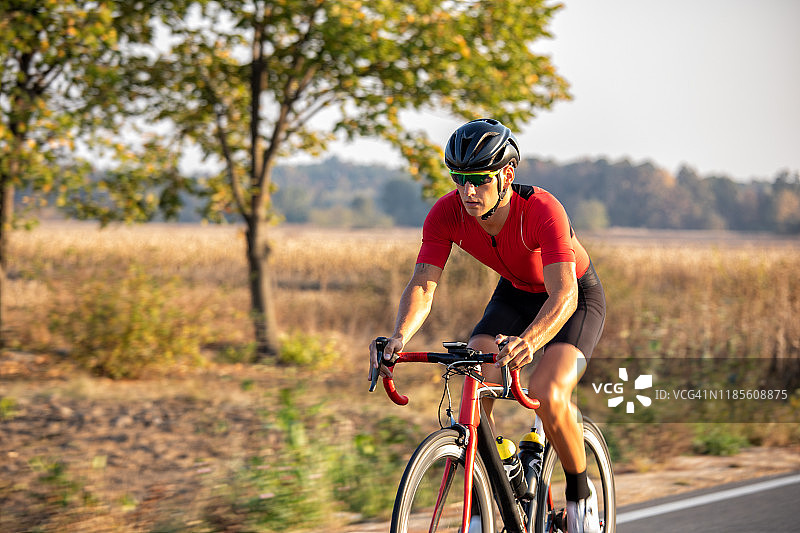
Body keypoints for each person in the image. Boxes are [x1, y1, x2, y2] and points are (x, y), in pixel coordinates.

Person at [368, 118, 606, 533]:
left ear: (506, 176)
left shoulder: (543, 210)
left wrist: (530, 341)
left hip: (572, 297)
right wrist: (399, 337)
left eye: (478, 179)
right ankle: (500, 468)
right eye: (459, 179)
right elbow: (424, 283)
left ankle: (580, 495)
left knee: (548, 393)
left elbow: (564, 294)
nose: (467, 191)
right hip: (515, 292)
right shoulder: (447, 213)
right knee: (476, 374)